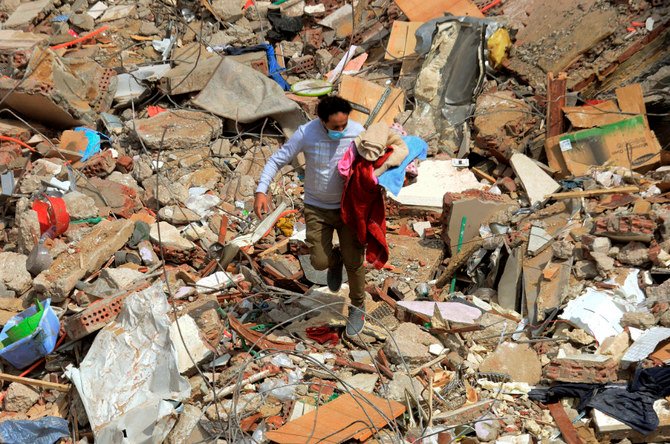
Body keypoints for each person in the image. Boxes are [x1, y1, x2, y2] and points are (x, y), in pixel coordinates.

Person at [254, 96, 367, 337]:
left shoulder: (357, 132)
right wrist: (261, 190)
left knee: (355, 262)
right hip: (317, 207)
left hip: (348, 208)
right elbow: (277, 159)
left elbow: (375, 161)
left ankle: (358, 306)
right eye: (335, 126)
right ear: (321, 121)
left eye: (343, 125)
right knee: (319, 262)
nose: (340, 130)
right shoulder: (307, 133)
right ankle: (334, 261)